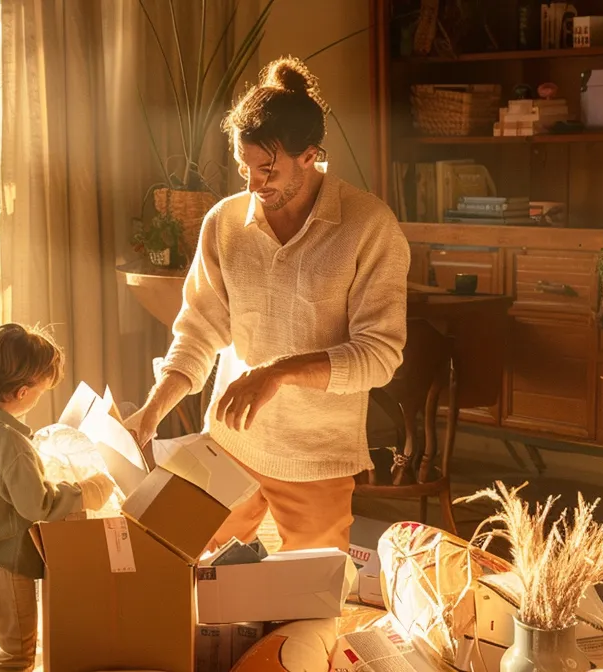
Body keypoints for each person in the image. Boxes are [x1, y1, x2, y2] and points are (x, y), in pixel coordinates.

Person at [126, 57, 410, 553]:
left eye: (268, 169)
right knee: (177, 569)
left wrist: (276, 372)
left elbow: (380, 355)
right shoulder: (225, 223)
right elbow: (198, 329)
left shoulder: (369, 226)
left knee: (308, 611)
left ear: (312, 155)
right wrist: (153, 411)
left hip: (316, 458)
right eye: (244, 168)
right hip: (230, 444)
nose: (254, 184)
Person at [0, 324, 113, 672]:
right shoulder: (12, 442)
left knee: (11, 648)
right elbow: (38, 505)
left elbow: (2, 484)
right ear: (23, 392)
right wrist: (87, 492)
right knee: (17, 657)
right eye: (42, 391)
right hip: (5, 569)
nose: (42, 396)